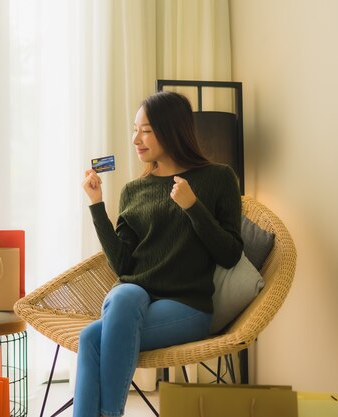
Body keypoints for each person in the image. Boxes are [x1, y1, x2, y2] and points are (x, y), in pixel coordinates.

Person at [77, 91, 243, 417]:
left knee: (91, 338)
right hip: (136, 296)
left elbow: (230, 255)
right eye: (135, 129)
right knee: (121, 297)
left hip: (187, 306)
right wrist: (97, 205)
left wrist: (193, 207)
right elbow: (123, 264)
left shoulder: (219, 178)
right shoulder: (134, 190)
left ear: (173, 130)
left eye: (147, 130)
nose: (136, 139)